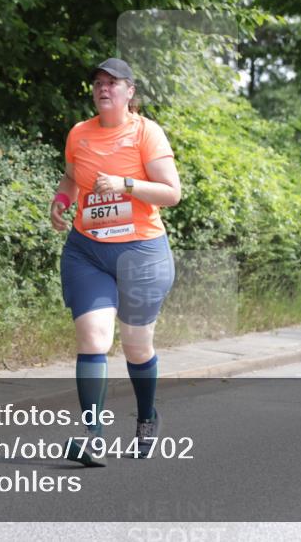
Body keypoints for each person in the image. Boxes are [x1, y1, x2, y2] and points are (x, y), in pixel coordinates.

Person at [49, 58, 180, 465]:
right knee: (93, 339)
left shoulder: (146, 133)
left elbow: (171, 193)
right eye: (98, 83)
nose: (103, 88)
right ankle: (93, 435)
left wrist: (126, 183)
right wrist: (62, 201)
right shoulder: (79, 134)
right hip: (87, 250)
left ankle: (146, 416)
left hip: (140, 253)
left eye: (113, 83)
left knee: (137, 348)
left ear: (130, 92)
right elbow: (72, 179)